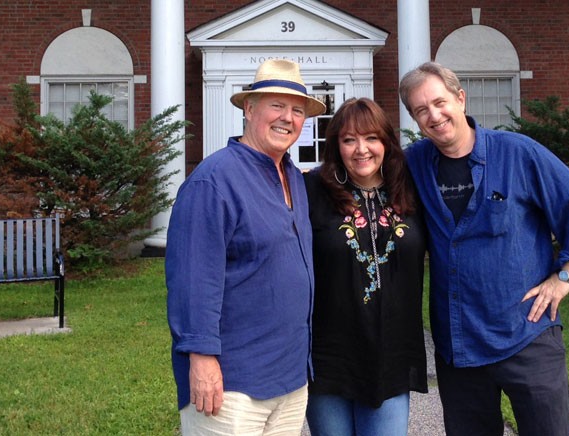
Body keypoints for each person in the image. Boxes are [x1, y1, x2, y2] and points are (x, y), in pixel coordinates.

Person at [398, 62, 569, 436]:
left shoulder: (518, 153)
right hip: (458, 345)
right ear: (413, 118)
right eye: (421, 110)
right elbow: (364, 175)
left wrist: (565, 275)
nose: (434, 115)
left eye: (440, 102)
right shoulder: (415, 164)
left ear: (460, 98)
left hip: (526, 332)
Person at [166, 58, 326, 435]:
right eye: (276, 105)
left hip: (290, 378)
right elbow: (192, 279)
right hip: (232, 383)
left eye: (298, 110)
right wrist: (201, 359)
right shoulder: (214, 180)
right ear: (249, 109)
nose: (287, 117)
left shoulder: (294, 178)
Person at [302, 98, 428, 436]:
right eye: (348, 140)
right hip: (330, 355)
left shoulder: (413, 190)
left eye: (371, 138)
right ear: (336, 147)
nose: (362, 150)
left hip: (392, 353)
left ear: (386, 142)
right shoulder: (311, 190)